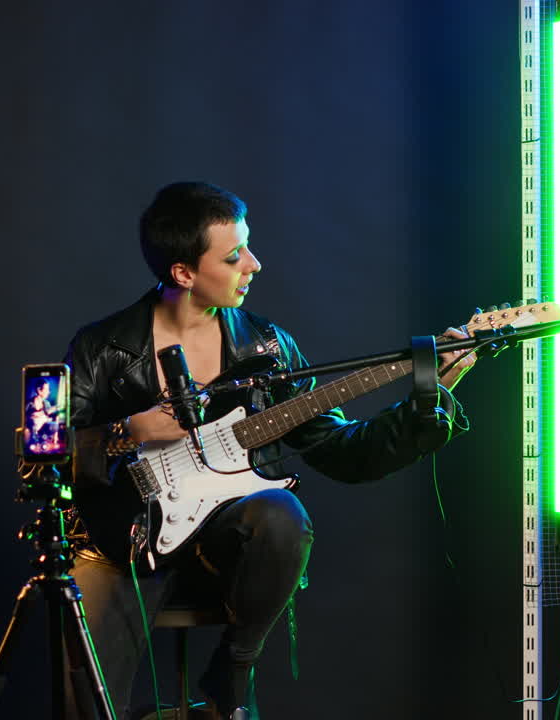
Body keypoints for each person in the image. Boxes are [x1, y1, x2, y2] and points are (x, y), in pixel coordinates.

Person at [62, 181, 474, 719]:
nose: (253, 264)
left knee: (283, 514)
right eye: (234, 256)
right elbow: (44, 456)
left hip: (224, 548)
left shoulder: (268, 349)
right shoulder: (102, 347)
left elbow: (344, 453)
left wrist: (428, 399)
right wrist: (126, 431)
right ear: (183, 273)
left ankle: (232, 675)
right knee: (86, 703)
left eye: (248, 246)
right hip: (121, 539)